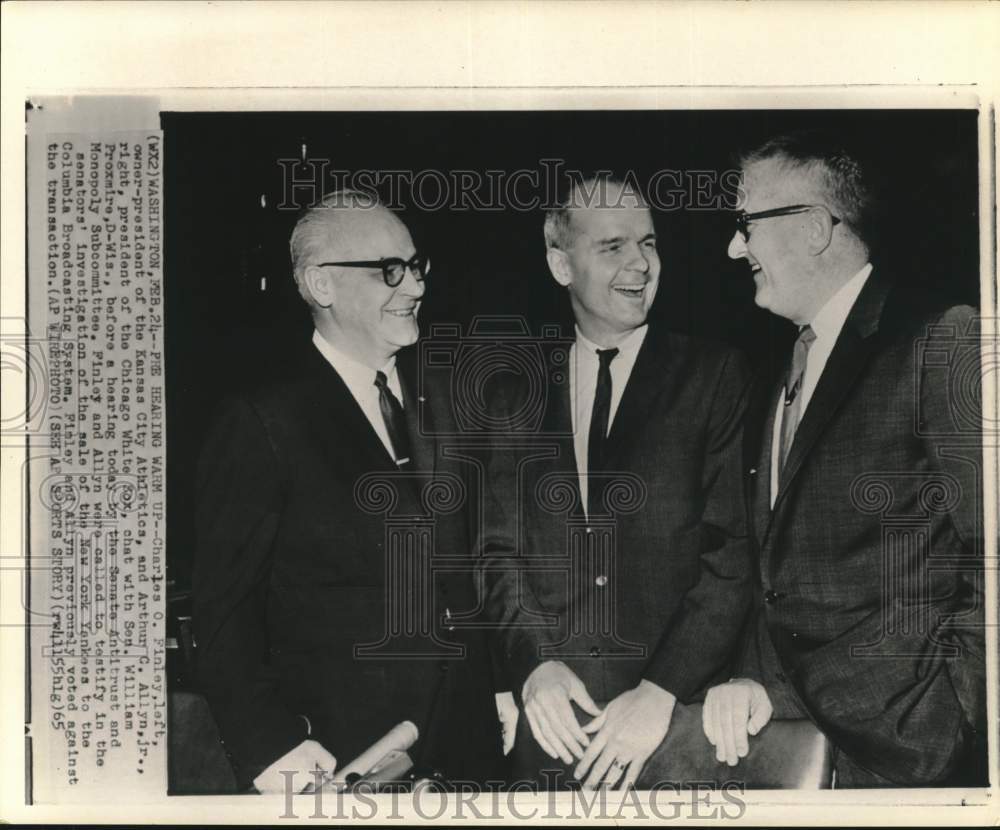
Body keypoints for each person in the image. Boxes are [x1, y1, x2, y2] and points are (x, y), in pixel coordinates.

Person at [702, 131, 986, 787]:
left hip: (911, 757)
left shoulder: (942, 339)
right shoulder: (783, 365)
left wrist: (952, 719)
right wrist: (756, 674)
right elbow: (781, 567)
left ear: (814, 228)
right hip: (800, 741)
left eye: (746, 224)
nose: (732, 246)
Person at [192, 190, 501, 793]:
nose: (414, 287)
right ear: (321, 285)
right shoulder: (261, 422)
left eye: (417, 267)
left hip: (467, 750)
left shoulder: (444, 402)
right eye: (390, 271)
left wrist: (499, 691)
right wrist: (276, 755)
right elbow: (224, 616)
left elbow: (461, 571)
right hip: (343, 763)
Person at [481, 173, 752, 790]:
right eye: (613, 247)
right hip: (554, 733)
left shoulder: (715, 376)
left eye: (649, 243)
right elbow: (500, 554)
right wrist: (535, 665)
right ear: (559, 264)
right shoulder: (512, 391)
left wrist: (660, 691)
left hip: (678, 728)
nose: (641, 263)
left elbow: (732, 554)